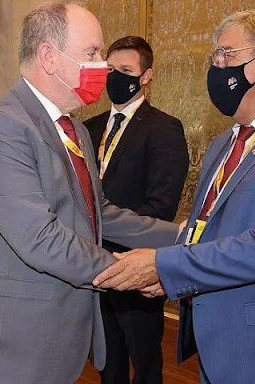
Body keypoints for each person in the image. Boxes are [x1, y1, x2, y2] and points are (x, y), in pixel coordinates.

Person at [94, 7, 255, 384]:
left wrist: (164, 266)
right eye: (215, 55)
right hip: (217, 339)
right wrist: (168, 272)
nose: (216, 66)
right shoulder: (223, 143)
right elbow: (204, 229)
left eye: (226, 54)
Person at [0, 3, 181, 384]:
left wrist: (183, 236)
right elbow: (40, 238)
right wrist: (134, 272)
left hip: (57, 340)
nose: (103, 68)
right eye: (91, 54)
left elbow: (98, 213)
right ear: (49, 57)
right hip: (12, 346)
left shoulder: (72, 128)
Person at [84, 35, 189, 384]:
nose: (115, 77)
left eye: (125, 70)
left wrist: (120, 248)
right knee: (106, 355)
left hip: (136, 266)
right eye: (110, 69)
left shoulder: (164, 128)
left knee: (144, 359)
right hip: (93, 263)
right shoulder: (89, 128)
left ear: (146, 76)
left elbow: (161, 206)